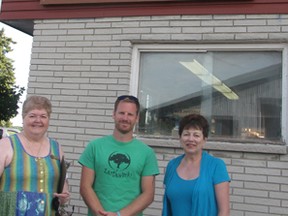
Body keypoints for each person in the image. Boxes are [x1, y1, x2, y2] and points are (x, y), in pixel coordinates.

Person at [79, 95, 159, 216]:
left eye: (130, 114)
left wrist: (119, 215)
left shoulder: (147, 153)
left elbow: (148, 194)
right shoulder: (94, 147)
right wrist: (100, 213)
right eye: (121, 113)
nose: (125, 118)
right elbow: (85, 187)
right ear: (114, 114)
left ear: (137, 118)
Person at [0, 95, 70, 216]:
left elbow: (63, 188)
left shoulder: (56, 148)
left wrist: (64, 197)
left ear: (48, 120)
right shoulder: (6, 145)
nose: (38, 120)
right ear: (23, 118)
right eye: (32, 116)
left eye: (43, 116)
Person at [162, 114, 230, 216]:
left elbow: (224, 212)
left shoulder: (216, 166)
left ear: (204, 140)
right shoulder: (172, 165)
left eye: (196, 135)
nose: (190, 139)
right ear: (180, 138)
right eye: (186, 134)